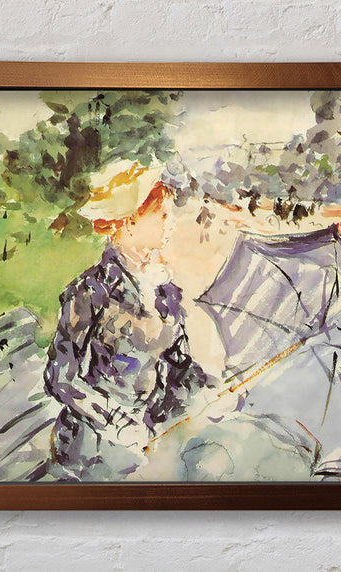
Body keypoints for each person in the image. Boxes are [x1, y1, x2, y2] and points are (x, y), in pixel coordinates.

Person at [39, 180, 218, 481]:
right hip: (91, 442)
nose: (171, 223)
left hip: (147, 436)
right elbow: (59, 377)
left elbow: (179, 366)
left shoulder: (165, 292)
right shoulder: (90, 291)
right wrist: (114, 419)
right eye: (162, 215)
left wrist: (208, 394)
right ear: (130, 222)